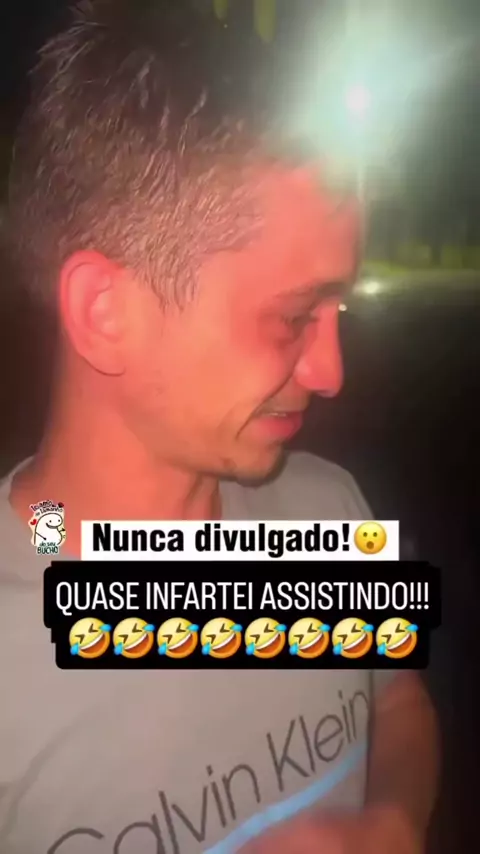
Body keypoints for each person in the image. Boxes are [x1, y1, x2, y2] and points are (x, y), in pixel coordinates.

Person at [0, 2, 438, 853]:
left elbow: (397, 698)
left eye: (338, 308)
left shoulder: (329, 512)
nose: (332, 373)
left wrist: (392, 823)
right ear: (106, 313)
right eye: (292, 317)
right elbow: (44, 536)